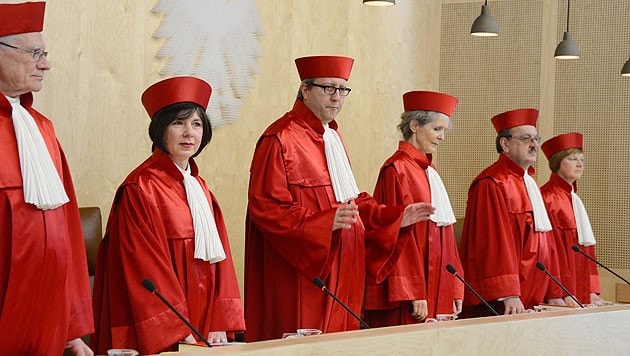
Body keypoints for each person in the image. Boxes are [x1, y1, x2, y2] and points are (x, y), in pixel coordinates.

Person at [244, 55, 435, 341]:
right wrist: (323, 223)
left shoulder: (332, 136)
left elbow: (351, 202)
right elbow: (266, 208)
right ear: (305, 89)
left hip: (343, 271)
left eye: (342, 90)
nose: (337, 98)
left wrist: (395, 216)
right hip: (303, 274)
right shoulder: (280, 138)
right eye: (328, 89)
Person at [91, 76, 245, 354]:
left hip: (203, 321)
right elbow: (145, 269)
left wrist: (219, 321)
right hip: (164, 327)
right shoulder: (140, 189)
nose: (189, 133)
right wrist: (177, 326)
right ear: (160, 130)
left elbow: (221, 260)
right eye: (178, 123)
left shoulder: (201, 189)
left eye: (196, 124)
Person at [0, 2, 94, 355]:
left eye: (45, 52)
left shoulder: (43, 130)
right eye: (35, 53)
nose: (46, 63)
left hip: (46, 318)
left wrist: (72, 331)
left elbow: (66, 231)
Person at [364, 91, 464, 326]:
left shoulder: (429, 171)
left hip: (437, 282)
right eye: (437, 129)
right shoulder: (396, 168)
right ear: (415, 125)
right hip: (413, 291)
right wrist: (412, 288)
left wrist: (455, 283)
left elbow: (446, 235)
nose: (442, 137)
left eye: (444, 131)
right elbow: (395, 233)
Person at [458, 108, 565, 317]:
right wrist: (508, 292)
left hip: (534, 293)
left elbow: (546, 243)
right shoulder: (492, 183)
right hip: (507, 300)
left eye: (536, 138)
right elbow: (492, 243)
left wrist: (554, 290)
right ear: (505, 144)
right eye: (526, 138)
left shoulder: (530, 182)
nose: (534, 145)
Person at [541, 133, 602, 306]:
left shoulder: (574, 199)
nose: (580, 164)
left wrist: (592, 290)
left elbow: (587, 250)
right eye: (573, 159)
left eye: (582, 160)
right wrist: (558, 291)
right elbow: (549, 252)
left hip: (579, 287)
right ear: (558, 162)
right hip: (561, 292)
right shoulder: (548, 198)